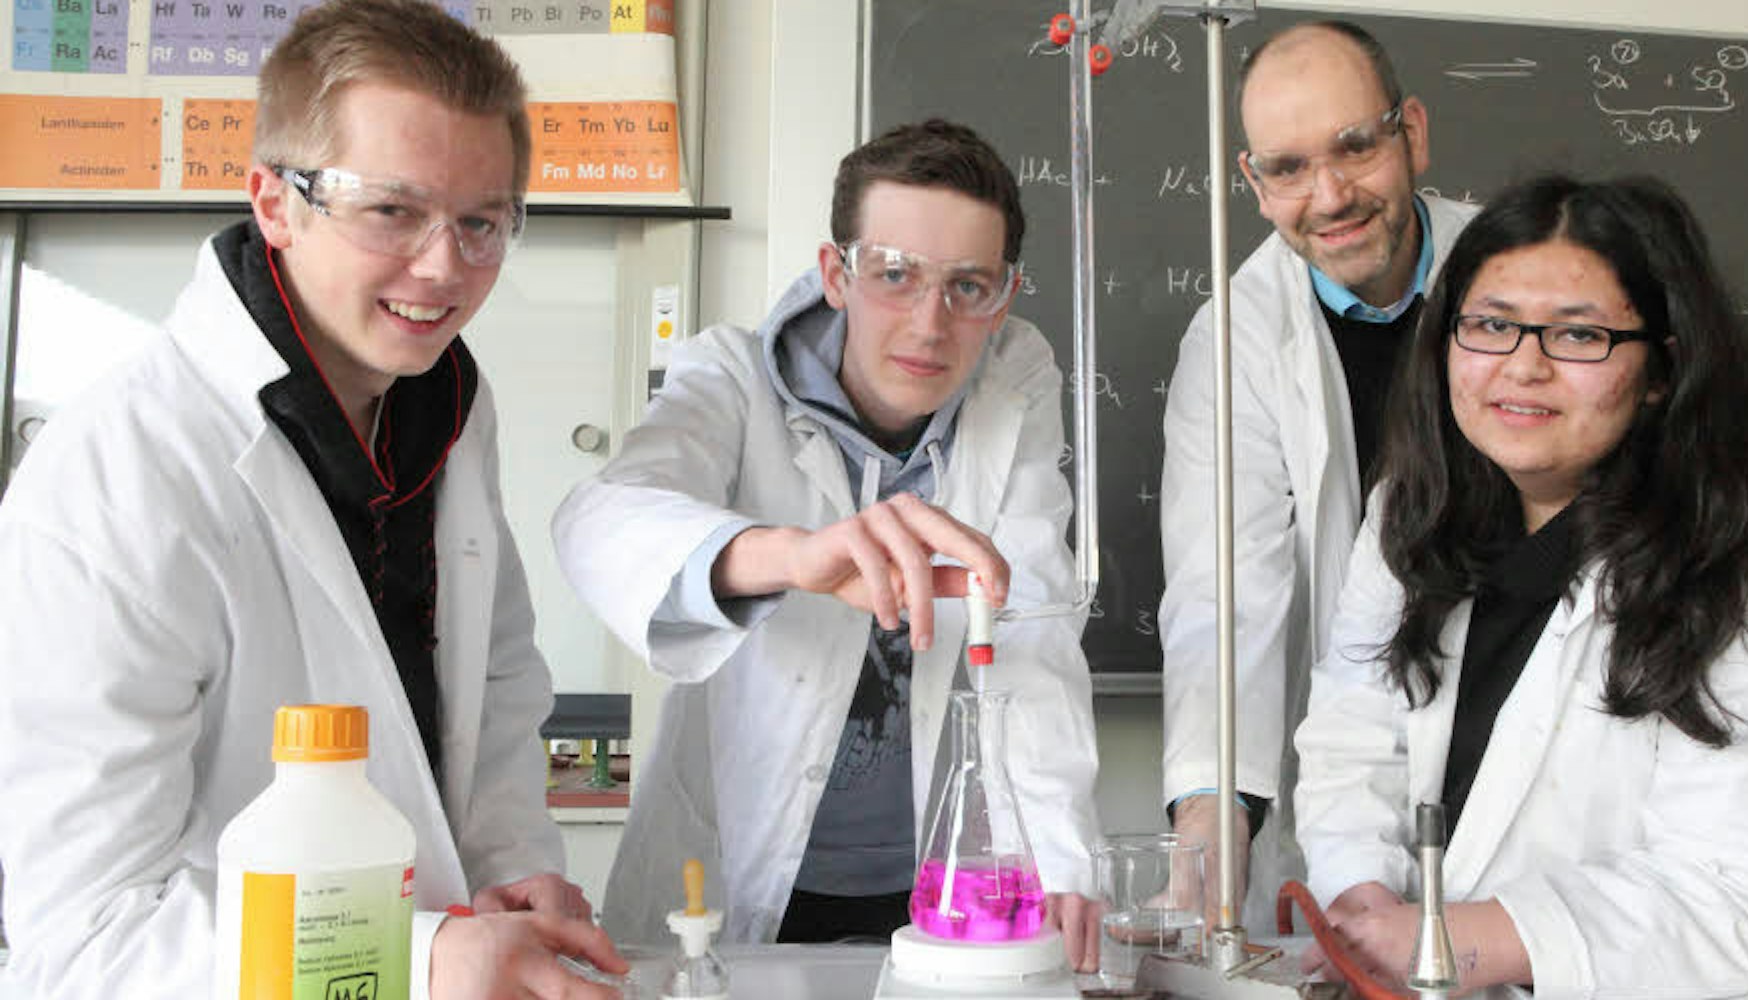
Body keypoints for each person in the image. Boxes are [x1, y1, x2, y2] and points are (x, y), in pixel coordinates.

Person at [0, 0, 627, 995]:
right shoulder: (119, 475)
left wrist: (511, 871)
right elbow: (84, 937)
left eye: (481, 221)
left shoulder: (447, 409)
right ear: (273, 201)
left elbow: (495, 690)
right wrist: (419, 956)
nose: (444, 267)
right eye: (392, 210)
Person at [1292, 174, 1748, 996]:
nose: (1523, 367)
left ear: (1662, 368)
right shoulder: (1412, 511)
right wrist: (1362, 896)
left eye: (1578, 335)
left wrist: (1454, 942)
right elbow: (1355, 727)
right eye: (1491, 325)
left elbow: (1736, 895)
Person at [552, 119, 1104, 969]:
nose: (930, 323)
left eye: (968, 286)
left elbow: (1031, 625)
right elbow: (598, 521)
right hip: (738, 872)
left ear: (1005, 295)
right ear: (836, 275)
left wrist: (1061, 861)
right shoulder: (730, 377)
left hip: (936, 878)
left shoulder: (1013, 388)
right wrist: (789, 558)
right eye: (895, 275)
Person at [1157, 19, 1480, 927]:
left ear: (1412, 133)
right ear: (1254, 183)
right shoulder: (1236, 338)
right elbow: (1224, 592)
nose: (1330, 195)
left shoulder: (1517, 277)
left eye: (1355, 147)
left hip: (1522, 727)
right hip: (1350, 760)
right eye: (1289, 168)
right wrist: (1212, 818)